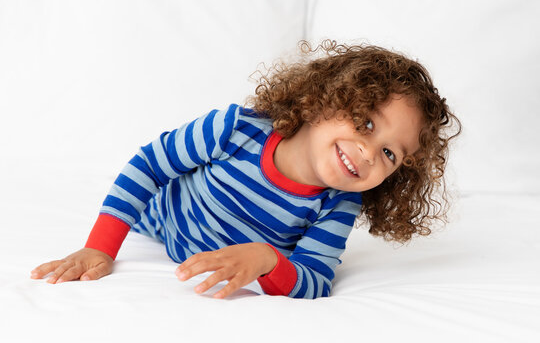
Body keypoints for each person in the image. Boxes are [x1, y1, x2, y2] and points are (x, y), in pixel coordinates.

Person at [30, 40, 461, 299]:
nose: (369, 153)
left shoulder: (338, 204)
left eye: (390, 154)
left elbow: (315, 281)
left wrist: (268, 260)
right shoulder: (235, 129)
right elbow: (148, 165)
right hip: (160, 221)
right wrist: (100, 248)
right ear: (327, 97)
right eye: (366, 123)